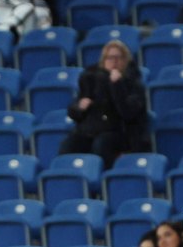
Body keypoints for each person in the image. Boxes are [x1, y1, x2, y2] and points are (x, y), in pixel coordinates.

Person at [58, 39, 148, 169]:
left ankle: (101, 181)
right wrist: (79, 107)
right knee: (69, 145)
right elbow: (75, 112)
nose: (114, 61)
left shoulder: (133, 84)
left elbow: (128, 113)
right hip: (92, 130)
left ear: (125, 60)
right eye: (110, 58)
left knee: (102, 144)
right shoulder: (92, 80)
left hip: (121, 131)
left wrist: (117, 85)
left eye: (118, 57)